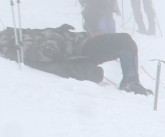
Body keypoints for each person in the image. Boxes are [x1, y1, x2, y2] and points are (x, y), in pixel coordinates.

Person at [0, 23, 151, 94]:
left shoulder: (12, 33)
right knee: (124, 40)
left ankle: (131, 81)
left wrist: (57, 30)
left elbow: (39, 34)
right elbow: (40, 55)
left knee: (126, 41)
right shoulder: (11, 43)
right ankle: (130, 83)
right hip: (81, 49)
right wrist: (55, 42)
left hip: (81, 42)